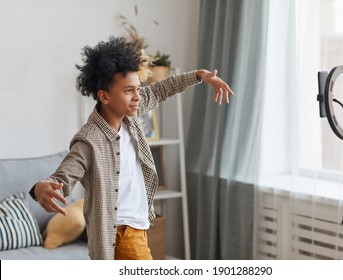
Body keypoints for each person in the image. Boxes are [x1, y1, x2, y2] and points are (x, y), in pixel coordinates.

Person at [29, 36, 234, 260]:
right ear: (104, 96)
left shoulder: (130, 116)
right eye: (129, 91)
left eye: (138, 89)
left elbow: (159, 90)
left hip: (136, 228)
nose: (137, 97)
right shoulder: (89, 140)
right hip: (121, 234)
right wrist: (42, 187)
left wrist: (199, 75)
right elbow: (65, 174)